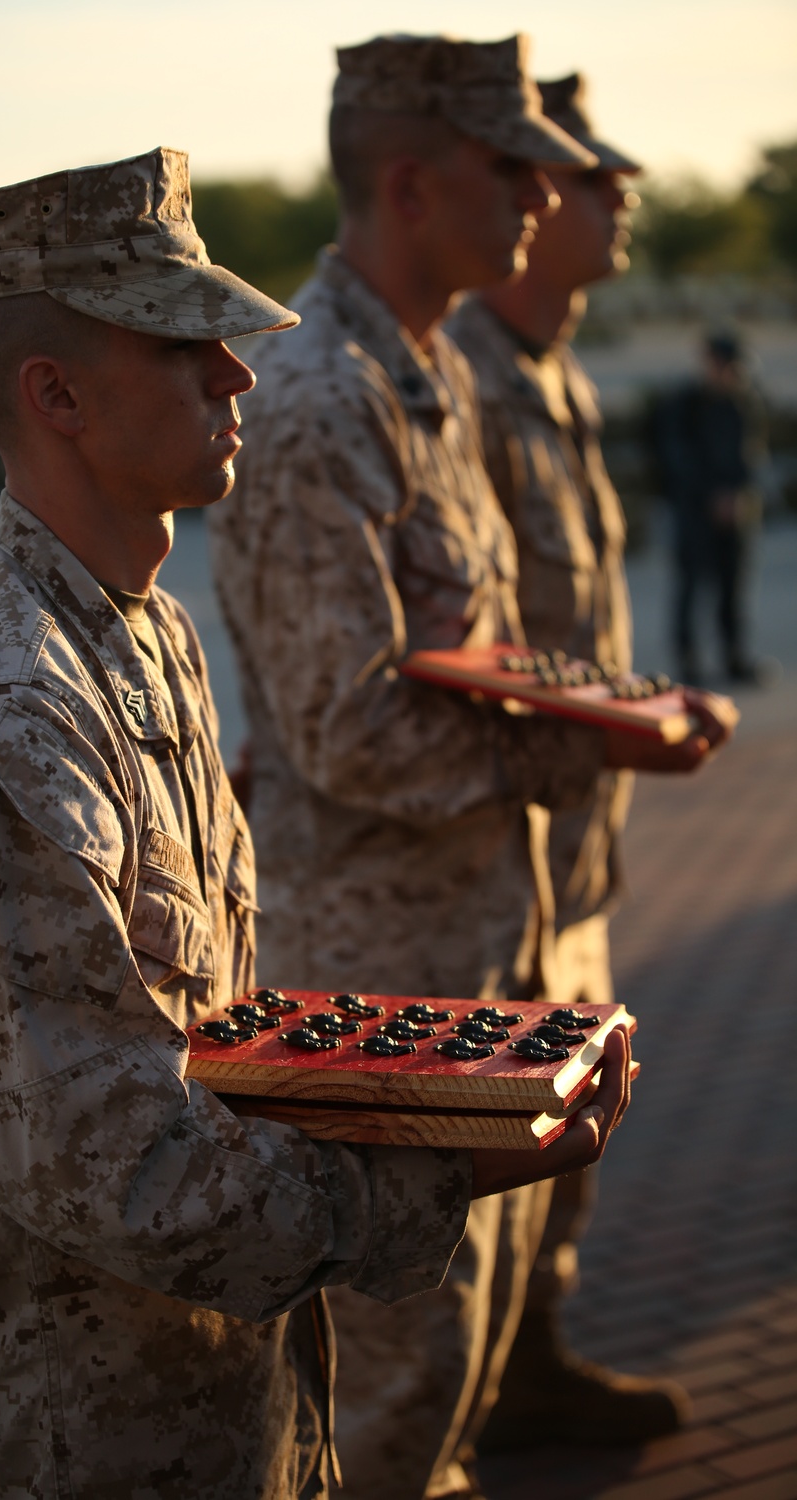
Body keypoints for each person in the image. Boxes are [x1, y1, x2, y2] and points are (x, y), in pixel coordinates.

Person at [0, 147, 631, 1500]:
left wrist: (455, 1083)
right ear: (57, 396)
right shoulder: (0, 721)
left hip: (228, 1391)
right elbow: (120, 1167)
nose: (239, 377)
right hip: (99, 1436)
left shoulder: (142, 635)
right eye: (184, 346)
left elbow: (196, 1029)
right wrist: (445, 1169)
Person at [208, 35, 728, 1500]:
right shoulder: (323, 399)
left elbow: (464, 655)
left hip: (470, 930)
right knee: (392, 1385)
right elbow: (346, 728)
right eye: (514, 165)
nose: (543, 190)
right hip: (388, 956)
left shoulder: (416, 369)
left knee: (459, 1353)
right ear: (413, 181)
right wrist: (591, 738)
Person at [445, 72, 689, 1452]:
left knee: (575, 1132)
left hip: (577, 837)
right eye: (593, 177)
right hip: (496, 844)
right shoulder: (464, 374)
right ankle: (454, 1413)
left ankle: (533, 1362)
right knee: (490, 1157)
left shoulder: (553, 372)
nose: (616, 197)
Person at [653, 330, 766, 684]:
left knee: (733, 588)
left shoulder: (743, 403)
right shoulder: (685, 405)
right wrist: (709, 495)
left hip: (734, 512)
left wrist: (738, 493)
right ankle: (688, 662)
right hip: (694, 513)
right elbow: (676, 458)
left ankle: (734, 657)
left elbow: (751, 455)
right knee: (690, 588)